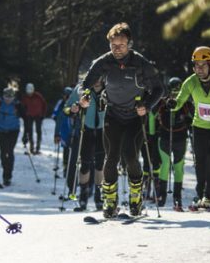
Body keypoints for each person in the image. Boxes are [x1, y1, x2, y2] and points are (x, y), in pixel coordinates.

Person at [77, 23, 163, 218]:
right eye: (113, 45)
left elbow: (159, 89)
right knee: (111, 157)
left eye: (121, 45)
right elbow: (86, 83)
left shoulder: (140, 63)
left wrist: (147, 106)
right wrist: (84, 96)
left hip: (135, 116)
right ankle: (109, 201)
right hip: (113, 115)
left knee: (131, 156)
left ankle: (135, 198)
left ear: (129, 44)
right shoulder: (103, 62)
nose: (117, 50)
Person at [170, 46, 210, 210]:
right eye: (196, 65)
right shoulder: (191, 82)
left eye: (203, 65)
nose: (199, 69)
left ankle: (209, 194)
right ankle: (200, 194)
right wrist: (173, 104)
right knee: (200, 162)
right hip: (199, 127)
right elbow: (180, 100)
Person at [66, 79, 106, 211]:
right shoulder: (81, 88)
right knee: (85, 165)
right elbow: (66, 108)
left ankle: (98, 196)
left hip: (103, 130)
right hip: (86, 130)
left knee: (100, 165)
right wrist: (72, 109)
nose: (96, 81)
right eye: (94, 78)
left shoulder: (109, 88)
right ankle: (83, 197)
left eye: (99, 78)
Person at [155, 77, 192, 211]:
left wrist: (189, 122)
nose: (175, 94)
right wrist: (151, 134)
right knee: (165, 165)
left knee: (178, 166)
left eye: (178, 91)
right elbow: (152, 117)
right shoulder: (162, 103)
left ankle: (177, 196)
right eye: (173, 91)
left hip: (180, 138)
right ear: (169, 90)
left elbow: (194, 119)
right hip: (165, 137)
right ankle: (162, 195)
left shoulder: (186, 104)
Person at [0, 86, 23, 187]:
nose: (8, 100)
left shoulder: (17, 104)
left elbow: (24, 115)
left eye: (10, 98)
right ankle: (5, 168)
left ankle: (7, 176)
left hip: (13, 131)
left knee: (9, 151)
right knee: (3, 153)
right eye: (6, 97)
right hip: (1, 130)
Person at [52, 87, 74, 187]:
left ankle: (72, 171)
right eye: (65, 95)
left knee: (73, 152)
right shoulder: (60, 104)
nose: (66, 97)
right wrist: (57, 134)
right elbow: (55, 116)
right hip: (64, 131)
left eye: (68, 96)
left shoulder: (75, 103)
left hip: (74, 132)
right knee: (66, 151)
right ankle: (66, 169)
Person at [20, 83, 47, 154]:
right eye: (28, 93)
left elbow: (44, 105)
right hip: (29, 116)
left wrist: (43, 114)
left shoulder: (38, 96)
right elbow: (22, 106)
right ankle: (31, 147)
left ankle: (38, 147)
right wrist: (24, 114)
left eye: (31, 93)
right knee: (29, 131)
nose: (29, 94)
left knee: (38, 131)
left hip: (38, 115)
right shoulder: (25, 97)